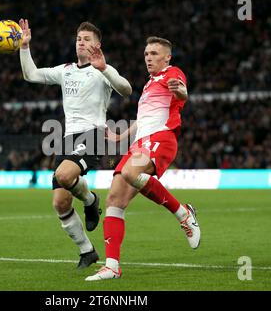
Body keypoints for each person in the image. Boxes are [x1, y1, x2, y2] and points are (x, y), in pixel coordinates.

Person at [18, 19, 132, 269]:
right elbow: (31, 75)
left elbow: (126, 89)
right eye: (79, 38)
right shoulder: (65, 69)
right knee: (60, 202)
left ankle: (91, 201)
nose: (81, 42)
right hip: (68, 138)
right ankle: (87, 250)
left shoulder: (102, 70)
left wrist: (104, 69)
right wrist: (24, 47)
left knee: (64, 174)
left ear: (97, 45)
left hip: (92, 135)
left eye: (87, 39)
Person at [85, 36, 201, 281]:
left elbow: (181, 91)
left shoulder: (173, 73)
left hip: (161, 138)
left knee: (130, 173)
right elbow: (143, 120)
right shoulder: (149, 84)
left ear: (167, 57)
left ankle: (183, 214)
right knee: (114, 200)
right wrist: (121, 137)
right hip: (140, 142)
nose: (149, 57)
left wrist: (182, 92)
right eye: (147, 53)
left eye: (154, 53)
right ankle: (112, 266)